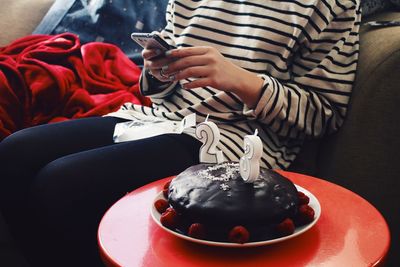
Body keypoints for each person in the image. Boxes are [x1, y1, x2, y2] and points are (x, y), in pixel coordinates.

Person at [0, 0, 361, 266]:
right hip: (158, 119)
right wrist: (158, 71)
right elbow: (163, 87)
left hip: (232, 143)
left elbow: (322, 114)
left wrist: (242, 81)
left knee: (60, 182)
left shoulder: (332, 5)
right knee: (13, 153)